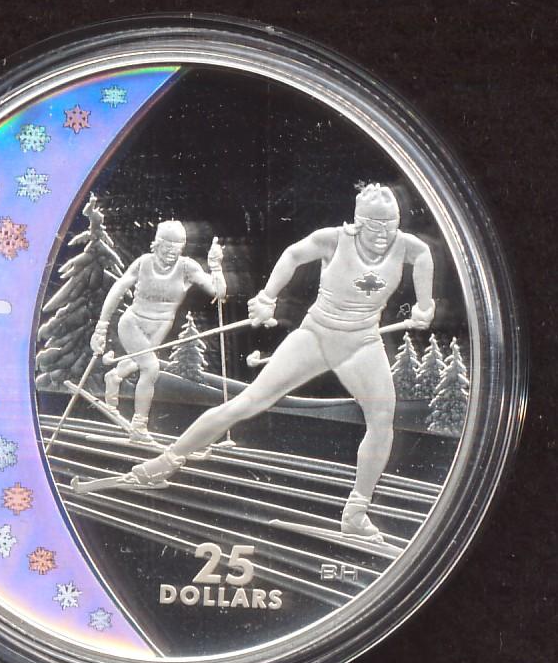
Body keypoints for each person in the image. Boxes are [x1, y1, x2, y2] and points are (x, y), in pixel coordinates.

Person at [129, 184, 435, 542]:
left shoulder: (406, 246)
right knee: (248, 402)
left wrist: (424, 305)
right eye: (375, 226)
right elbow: (292, 255)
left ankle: (356, 512)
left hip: (362, 343)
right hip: (317, 335)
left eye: (390, 226)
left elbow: (424, 256)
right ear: (358, 222)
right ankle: (164, 463)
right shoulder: (334, 240)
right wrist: (267, 297)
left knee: (382, 419)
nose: (383, 235)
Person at [90, 220, 226, 444]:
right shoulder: (143, 263)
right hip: (132, 323)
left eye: (177, 248)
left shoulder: (187, 267)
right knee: (150, 367)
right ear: (157, 244)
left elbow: (219, 293)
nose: (172, 252)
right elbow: (118, 289)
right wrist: (101, 327)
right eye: (167, 247)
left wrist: (216, 267)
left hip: (161, 327)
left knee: (139, 362)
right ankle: (139, 426)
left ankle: (114, 376)